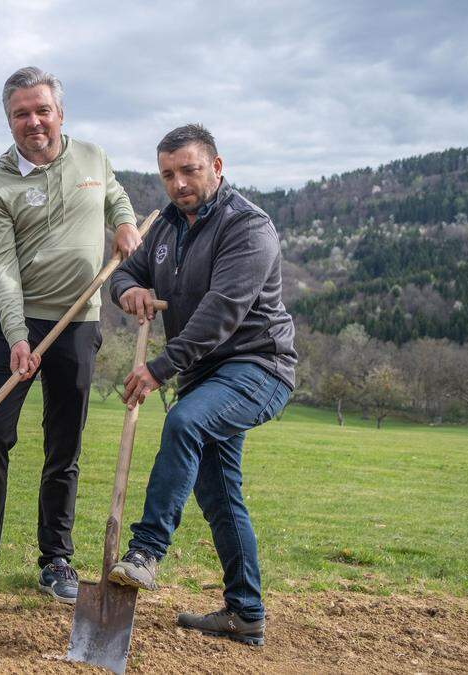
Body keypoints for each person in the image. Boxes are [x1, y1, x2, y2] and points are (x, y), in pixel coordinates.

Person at [0, 66, 141, 608]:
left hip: (79, 324)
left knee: (64, 445)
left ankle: (56, 561)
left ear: (60, 113)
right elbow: (2, 268)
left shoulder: (93, 158)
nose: (33, 121)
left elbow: (116, 198)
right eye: (21, 113)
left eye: (41, 110)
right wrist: (17, 334)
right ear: (9, 121)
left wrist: (123, 221)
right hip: (16, 326)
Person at [105, 124, 296, 647]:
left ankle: (145, 552)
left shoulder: (249, 227)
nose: (178, 183)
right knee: (218, 494)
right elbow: (123, 272)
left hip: (259, 366)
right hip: (205, 374)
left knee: (184, 421)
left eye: (189, 170)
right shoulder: (165, 229)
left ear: (217, 166)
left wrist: (158, 369)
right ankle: (245, 613)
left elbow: (220, 316)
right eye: (168, 174)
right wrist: (132, 291)